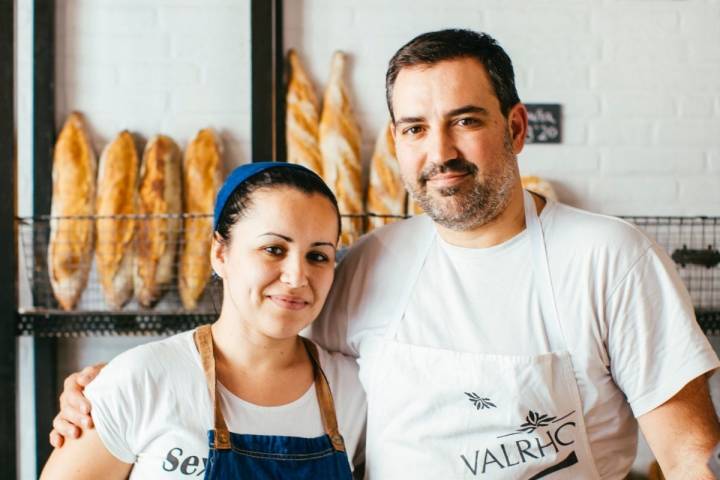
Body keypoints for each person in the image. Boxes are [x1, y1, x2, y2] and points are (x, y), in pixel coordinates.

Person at [51, 29, 720, 479]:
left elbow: (693, 457)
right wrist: (116, 386)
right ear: (397, 144)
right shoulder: (369, 263)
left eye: (466, 120)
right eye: (415, 129)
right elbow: (259, 340)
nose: (441, 152)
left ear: (515, 129)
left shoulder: (611, 259)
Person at [41, 162, 366, 479]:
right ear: (220, 253)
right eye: (273, 249)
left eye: (318, 256)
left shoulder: (355, 392)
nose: (297, 277)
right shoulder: (140, 380)